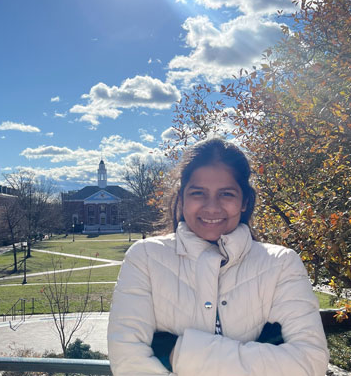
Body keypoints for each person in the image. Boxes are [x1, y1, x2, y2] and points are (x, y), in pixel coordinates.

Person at [107, 138, 329, 375]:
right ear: (181, 199)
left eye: (226, 194)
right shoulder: (145, 258)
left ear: (244, 201)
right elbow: (127, 362)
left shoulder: (281, 263)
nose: (211, 207)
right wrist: (266, 351)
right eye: (198, 193)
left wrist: (175, 353)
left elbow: (310, 362)